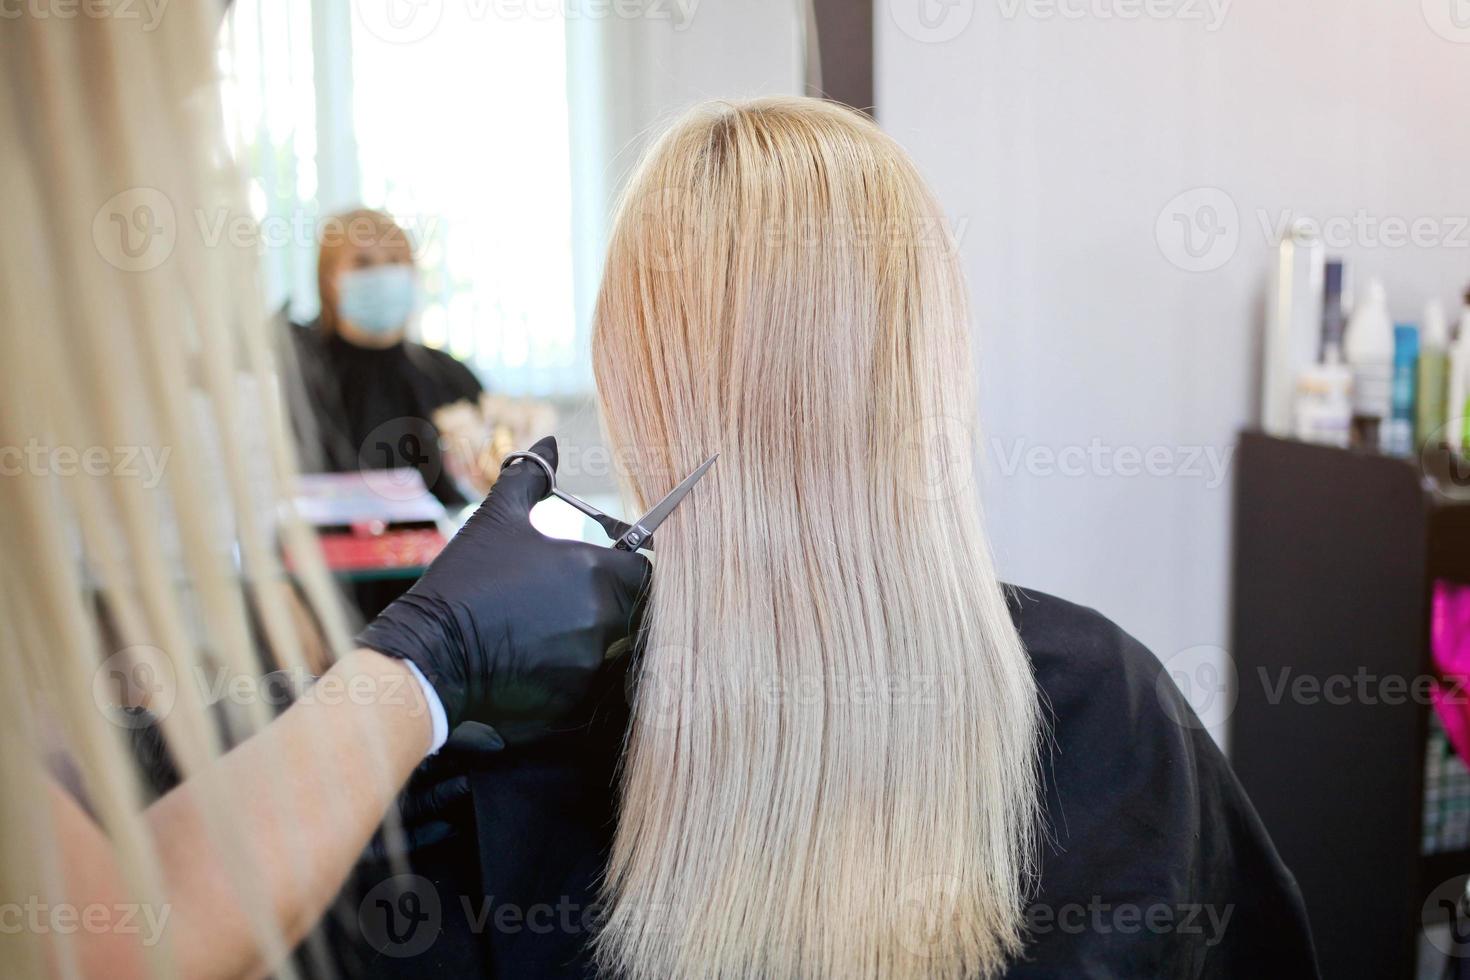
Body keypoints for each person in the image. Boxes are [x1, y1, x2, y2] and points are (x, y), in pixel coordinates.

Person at [443, 98, 1322, 979]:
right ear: (929, 361)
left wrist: (411, 676)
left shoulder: (513, 750)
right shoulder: (1112, 707)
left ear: (633, 387)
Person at [0, 11, 645, 980]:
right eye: (184, 103)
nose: (209, 167)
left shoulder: (443, 371)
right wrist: (414, 660)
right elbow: (106, 939)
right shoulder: (287, 361)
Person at [289, 208, 485, 510]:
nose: (381, 274)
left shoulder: (450, 378)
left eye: (394, 261)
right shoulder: (299, 375)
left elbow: (487, 487)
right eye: (363, 262)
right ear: (329, 279)